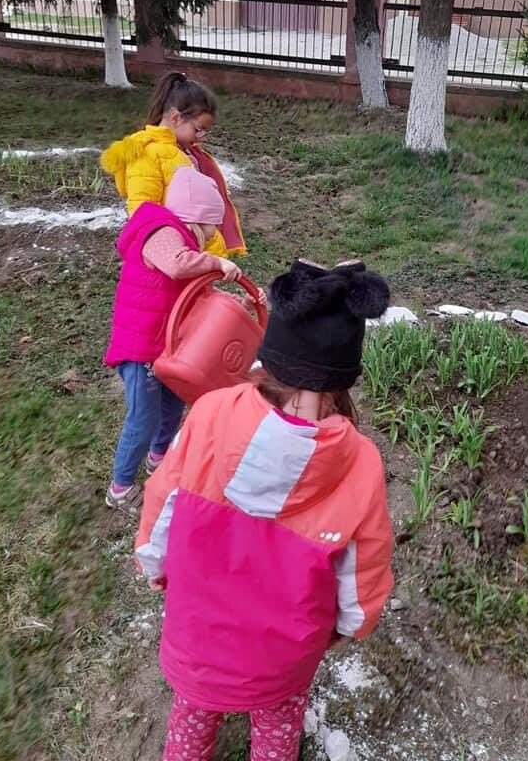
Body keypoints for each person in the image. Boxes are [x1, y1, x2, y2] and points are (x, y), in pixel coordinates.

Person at [135, 259, 394, 761]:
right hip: (283, 663)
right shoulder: (360, 463)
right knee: (277, 732)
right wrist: (351, 626)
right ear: (343, 379)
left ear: (269, 354)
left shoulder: (210, 413)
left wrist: (153, 561)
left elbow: (162, 500)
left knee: (191, 718)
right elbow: (365, 567)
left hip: (197, 645)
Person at [104, 166, 244, 509]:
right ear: (197, 216)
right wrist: (214, 262)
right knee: (143, 418)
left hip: (166, 347)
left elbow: (196, 294)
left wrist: (235, 304)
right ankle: (121, 487)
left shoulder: (184, 242)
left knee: (173, 404)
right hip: (140, 349)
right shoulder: (161, 231)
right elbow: (178, 265)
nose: (212, 233)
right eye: (211, 225)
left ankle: (159, 458)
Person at [100, 71, 246, 258]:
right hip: (173, 253)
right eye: (198, 129)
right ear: (176, 118)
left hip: (195, 249)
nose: (201, 137)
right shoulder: (147, 154)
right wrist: (175, 241)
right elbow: (142, 210)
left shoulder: (182, 151)